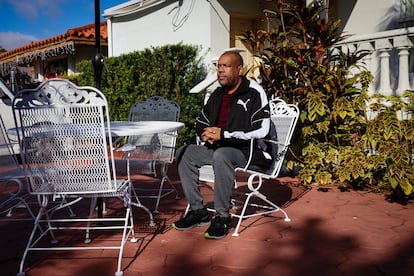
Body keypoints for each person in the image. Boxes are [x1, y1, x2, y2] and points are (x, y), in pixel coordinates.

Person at [173, 51, 272, 239]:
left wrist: (224, 135)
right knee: (184, 152)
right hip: (218, 147)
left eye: (225, 66)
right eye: (219, 66)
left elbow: (262, 129)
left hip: (246, 151)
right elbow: (200, 121)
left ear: (239, 69)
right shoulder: (217, 94)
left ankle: (222, 217)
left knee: (222, 155)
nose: (220, 70)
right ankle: (198, 212)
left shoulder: (254, 92)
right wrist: (206, 134)